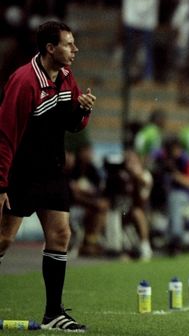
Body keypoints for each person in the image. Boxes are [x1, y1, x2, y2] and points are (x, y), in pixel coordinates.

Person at [0, 21, 96, 331]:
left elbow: (74, 125)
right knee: (3, 239)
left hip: (52, 170)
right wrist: (1, 183)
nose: (75, 49)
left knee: (61, 235)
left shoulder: (67, 77)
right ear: (50, 49)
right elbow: (5, 135)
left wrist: (83, 109)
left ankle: (53, 312)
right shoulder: (24, 81)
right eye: (69, 44)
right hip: (21, 172)